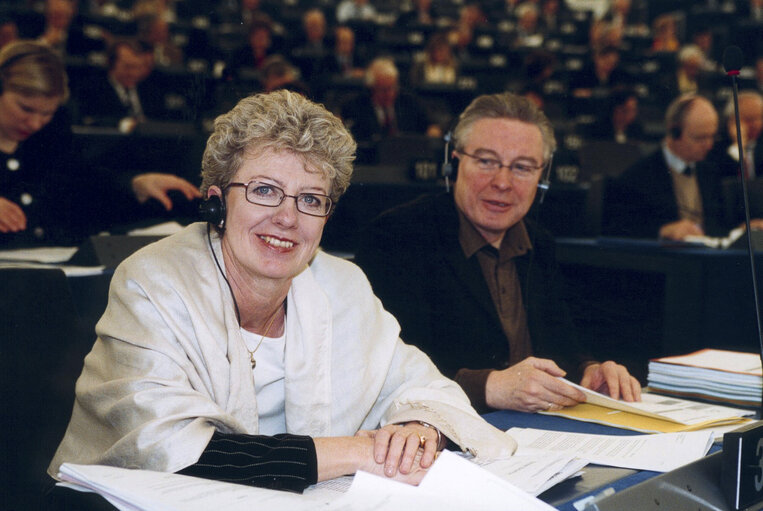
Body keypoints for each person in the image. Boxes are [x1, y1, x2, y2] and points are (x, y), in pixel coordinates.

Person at [47, 90, 516, 494]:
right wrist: (360, 452)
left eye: (310, 199)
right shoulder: (153, 283)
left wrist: (419, 427)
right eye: (265, 190)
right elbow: (166, 449)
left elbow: (424, 386)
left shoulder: (342, 286)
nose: (288, 218)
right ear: (217, 201)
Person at [354, 92, 641, 414]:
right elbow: (386, 372)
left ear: (542, 178)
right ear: (455, 161)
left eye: (522, 167)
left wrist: (590, 369)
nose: (502, 182)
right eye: (487, 161)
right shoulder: (398, 236)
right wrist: (490, 387)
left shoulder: (539, 243)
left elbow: (562, 347)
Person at [0, 40, 200, 246]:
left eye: (46, 113)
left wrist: (136, 184)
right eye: (25, 109)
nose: (35, 123)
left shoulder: (54, 131)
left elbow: (84, 182)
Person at [604, 94, 740, 240]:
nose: (709, 145)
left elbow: (722, 223)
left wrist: (742, 228)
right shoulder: (639, 176)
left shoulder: (713, 169)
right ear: (674, 132)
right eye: (700, 138)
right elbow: (619, 229)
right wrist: (662, 231)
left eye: (712, 136)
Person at [340, 57, 437, 142]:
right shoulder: (355, 107)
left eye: (393, 88)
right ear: (372, 88)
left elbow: (431, 126)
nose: (390, 94)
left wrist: (432, 131)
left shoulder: (409, 102)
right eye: (384, 90)